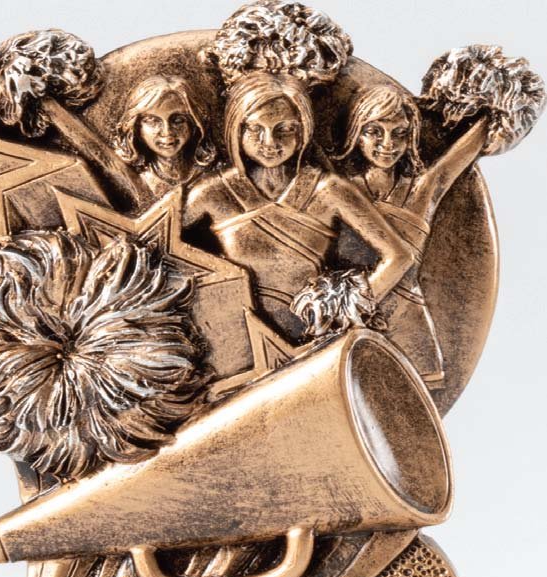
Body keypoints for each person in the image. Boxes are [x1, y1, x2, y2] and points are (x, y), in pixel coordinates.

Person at [183, 72, 413, 343]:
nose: (270, 142)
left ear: (303, 131)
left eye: (285, 129)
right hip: (233, 341)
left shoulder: (328, 190)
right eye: (255, 129)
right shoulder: (212, 193)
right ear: (236, 129)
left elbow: (399, 256)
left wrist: (345, 311)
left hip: (311, 342)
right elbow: (155, 246)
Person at [335, 84, 488, 387]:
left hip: (409, 322)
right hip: (351, 323)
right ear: (355, 134)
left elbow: (467, 149)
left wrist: (500, 101)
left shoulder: (422, 190)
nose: (387, 144)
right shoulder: (340, 190)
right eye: (374, 132)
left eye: (399, 133)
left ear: (411, 138)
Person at [114, 75, 216, 200]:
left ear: (194, 124)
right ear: (136, 127)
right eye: (152, 121)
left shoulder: (213, 175)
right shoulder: (137, 183)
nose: (167, 132)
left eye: (178, 120)